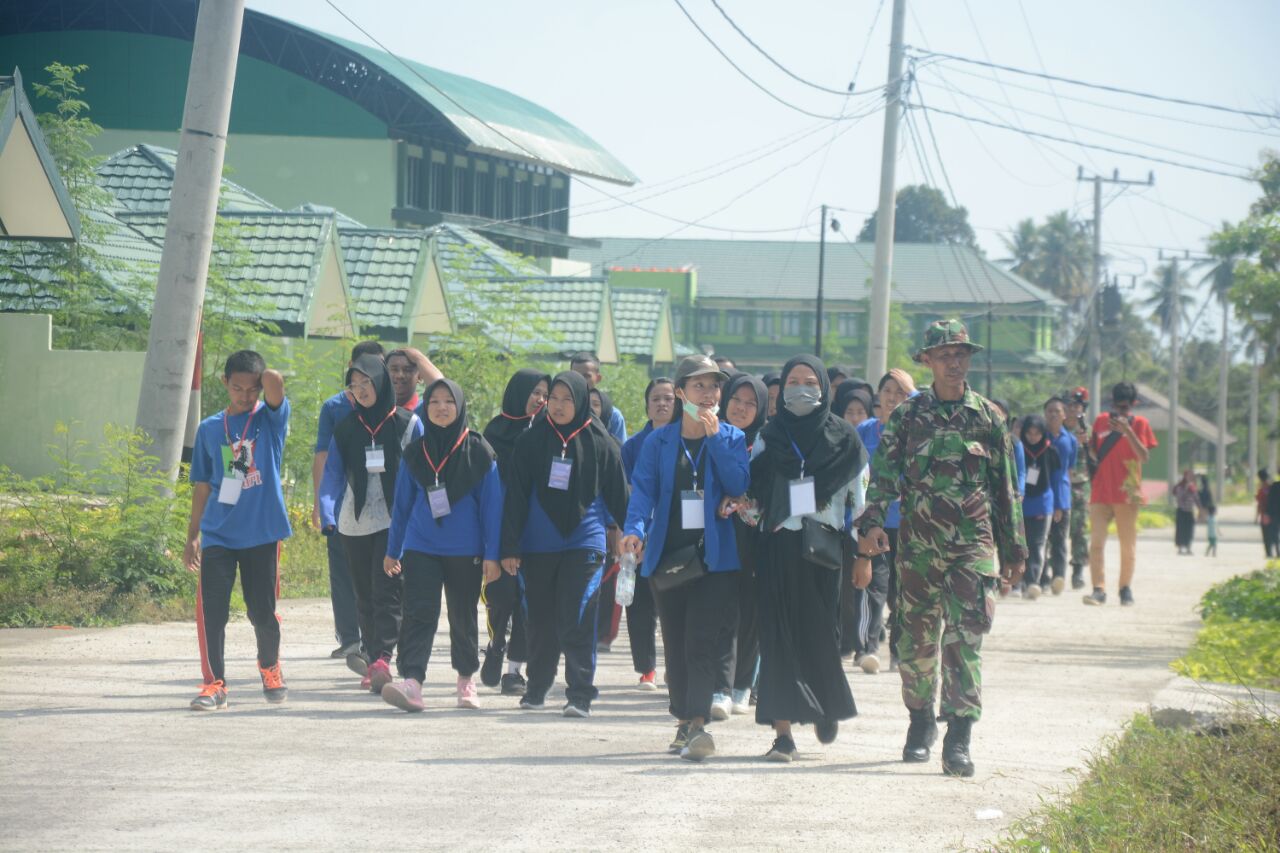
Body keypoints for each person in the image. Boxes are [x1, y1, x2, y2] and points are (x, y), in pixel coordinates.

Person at [857, 319, 1026, 778]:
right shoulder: (909, 417)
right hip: (919, 549)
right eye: (945, 355)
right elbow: (884, 476)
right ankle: (919, 723)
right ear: (928, 360)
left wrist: (1016, 551)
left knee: (965, 640)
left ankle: (959, 738)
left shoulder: (989, 417)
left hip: (974, 545)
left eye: (962, 354)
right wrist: (871, 525)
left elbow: (1005, 489)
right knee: (914, 642)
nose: (955, 362)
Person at [621, 355, 749, 761]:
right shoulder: (659, 442)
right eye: (699, 387)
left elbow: (738, 484)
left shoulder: (728, 437)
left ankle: (696, 725)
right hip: (668, 556)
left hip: (714, 560)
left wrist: (714, 441)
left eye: (714, 387)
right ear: (680, 393)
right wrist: (634, 531)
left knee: (701, 641)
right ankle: (683, 721)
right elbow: (642, 490)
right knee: (675, 643)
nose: (709, 394)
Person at [746, 355, 862, 762]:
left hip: (823, 549)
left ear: (823, 387)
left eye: (809, 380)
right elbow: (753, 487)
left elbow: (857, 501)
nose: (800, 387)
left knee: (820, 636)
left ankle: (824, 703)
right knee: (777, 639)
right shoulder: (769, 435)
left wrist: (863, 551)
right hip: (776, 546)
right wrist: (745, 508)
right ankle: (782, 735)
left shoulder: (844, 438)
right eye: (793, 380)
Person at [500, 371, 630, 717]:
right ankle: (538, 687)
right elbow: (514, 496)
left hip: (584, 543)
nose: (557, 406)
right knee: (539, 620)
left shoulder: (602, 443)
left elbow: (620, 497)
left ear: (582, 401)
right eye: (552, 398)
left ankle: (580, 693)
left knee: (578, 616)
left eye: (566, 399)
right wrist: (509, 547)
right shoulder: (530, 442)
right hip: (536, 545)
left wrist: (632, 536)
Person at [381, 379, 502, 711]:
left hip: (466, 551)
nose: (441, 408)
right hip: (421, 546)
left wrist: (493, 555)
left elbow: (493, 509)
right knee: (419, 613)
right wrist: (393, 549)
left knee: (463, 616)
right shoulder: (415, 452)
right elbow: (402, 505)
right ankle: (412, 682)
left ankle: (466, 680)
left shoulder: (480, 451)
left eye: (449, 401)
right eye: (434, 401)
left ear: (460, 406)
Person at [185, 350, 293, 710]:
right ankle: (214, 683)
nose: (245, 396)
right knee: (213, 612)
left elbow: (276, 383)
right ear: (224, 385)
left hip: (261, 534)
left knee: (261, 612)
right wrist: (193, 534)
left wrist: (264, 380)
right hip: (218, 533)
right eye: (237, 388)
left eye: (252, 388)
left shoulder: (269, 422)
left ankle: (270, 666)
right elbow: (202, 484)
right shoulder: (210, 429)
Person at [319, 354, 423, 692]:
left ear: (381, 382)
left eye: (367, 382)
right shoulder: (347, 427)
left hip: (394, 520)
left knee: (387, 590)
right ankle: (372, 653)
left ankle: (383, 658)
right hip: (355, 521)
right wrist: (327, 510)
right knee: (363, 595)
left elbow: (421, 473)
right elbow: (333, 473)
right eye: (354, 384)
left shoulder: (408, 424)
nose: (361, 390)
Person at [480, 368, 550, 695]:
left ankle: (514, 671)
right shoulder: (494, 433)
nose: (540, 400)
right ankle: (496, 643)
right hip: (498, 530)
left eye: (544, 394)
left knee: (530, 604)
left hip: (534, 532)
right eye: (534, 392)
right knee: (501, 597)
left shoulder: (550, 434)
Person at [312, 340, 383, 661]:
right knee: (343, 572)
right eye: (359, 376)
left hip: (382, 509)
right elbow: (323, 457)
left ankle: (380, 639)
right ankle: (350, 637)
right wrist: (320, 504)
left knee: (380, 575)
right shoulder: (335, 408)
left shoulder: (396, 411)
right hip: (343, 506)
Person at [714, 372, 769, 717]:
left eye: (751, 403)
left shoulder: (767, 442)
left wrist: (745, 502)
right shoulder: (710, 434)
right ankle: (718, 680)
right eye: (736, 400)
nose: (742, 408)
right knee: (718, 611)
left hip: (755, 539)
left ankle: (742, 683)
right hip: (717, 536)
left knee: (750, 614)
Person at [856, 368, 916, 670]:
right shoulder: (865, 430)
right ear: (878, 396)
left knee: (903, 591)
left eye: (900, 393)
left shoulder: (917, 428)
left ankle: (898, 650)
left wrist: (914, 390)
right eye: (888, 392)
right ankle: (867, 647)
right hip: (874, 521)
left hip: (908, 523)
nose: (893, 398)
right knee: (875, 585)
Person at [620, 377, 677, 690]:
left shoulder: (687, 440)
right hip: (641, 532)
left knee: (672, 604)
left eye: (668, 398)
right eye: (656, 398)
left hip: (674, 532)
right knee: (640, 604)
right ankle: (647, 669)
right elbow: (630, 492)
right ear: (647, 404)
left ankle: (675, 665)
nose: (662, 403)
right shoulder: (632, 447)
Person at [1085, 382, 1157, 607]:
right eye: (1118, 407)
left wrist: (1128, 431)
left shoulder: (1141, 424)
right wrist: (1084, 443)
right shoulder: (1100, 421)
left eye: (1126, 408)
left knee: (1127, 545)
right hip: (1100, 491)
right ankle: (1098, 589)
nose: (1121, 412)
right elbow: (1094, 453)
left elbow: (1144, 456)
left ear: (1133, 405)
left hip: (1128, 493)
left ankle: (1125, 588)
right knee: (1096, 543)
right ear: (1112, 404)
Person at [833, 382, 875, 664]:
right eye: (850, 411)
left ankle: (863, 644)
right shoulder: (832, 438)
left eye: (861, 411)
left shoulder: (875, 437)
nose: (856, 417)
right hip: (833, 528)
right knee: (837, 591)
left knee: (861, 587)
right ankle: (840, 640)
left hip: (861, 527)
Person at [590, 387, 627, 652]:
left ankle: (603, 634)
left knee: (606, 585)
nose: (591, 409)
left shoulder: (613, 445)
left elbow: (618, 492)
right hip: (583, 525)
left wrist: (616, 527)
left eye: (596, 404)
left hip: (607, 526)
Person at [1019, 415, 1062, 600]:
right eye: (1029, 433)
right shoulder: (1018, 450)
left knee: (1038, 544)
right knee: (1023, 545)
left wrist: (1059, 505)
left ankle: (1033, 582)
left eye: (1037, 434)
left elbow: (1057, 480)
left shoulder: (1051, 451)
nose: (1033, 437)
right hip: (1022, 503)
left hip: (1043, 503)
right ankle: (1027, 580)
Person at [1042, 397, 1076, 595]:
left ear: (1065, 415)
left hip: (1062, 494)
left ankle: (1059, 577)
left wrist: (1065, 497)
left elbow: (1069, 470)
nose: (1054, 414)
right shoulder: (1040, 436)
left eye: (1057, 411)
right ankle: (1043, 578)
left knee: (1060, 539)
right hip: (1043, 493)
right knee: (1041, 540)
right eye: (1050, 411)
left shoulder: (1070, 440)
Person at [1066, 387, 1092, 590]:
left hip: (1081, 484)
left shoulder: (1089, 431)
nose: (1074, 409)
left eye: (1078, 406)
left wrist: (1086, 443)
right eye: (1071, 405)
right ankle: (1049, 568)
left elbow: (1095, 458)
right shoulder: (1057, 428)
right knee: (1053, 529)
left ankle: (1078, 570)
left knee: (1079, 528)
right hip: (1059, 483)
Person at [570, 351, 627, 442]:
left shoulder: (613, 416)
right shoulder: (561, 410)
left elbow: (620, 453)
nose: (580, 380)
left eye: (586, 376)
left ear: (598, 378)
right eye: (576, 375)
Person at [1172, 470, 1198, 555]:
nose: (1190, 477)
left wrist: (1200, 508)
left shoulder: (1193, 487)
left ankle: (1188, 548)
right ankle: (1180, 548)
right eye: (1189, 476)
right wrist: (1186, 489)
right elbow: (1179, 497)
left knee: (1189, 530)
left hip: (1189, 511)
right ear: (1185, 476)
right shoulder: (1180, 487)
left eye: (1191, 476)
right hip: (1182, 511)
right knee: (1181, 530)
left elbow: (1196, 498)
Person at [1257, 470, 1276, 557]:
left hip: (1264, 515)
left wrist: (1256, 517)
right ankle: (1274, 552)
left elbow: (1260, 504)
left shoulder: (1261, 490)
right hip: (1273, 514)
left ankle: (1268, 553)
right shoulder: (1273, 487)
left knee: (1266, 535)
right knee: (1273, 534)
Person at [1200, 474, 1218, 557]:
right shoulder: (1208, 490)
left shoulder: (1202, 489)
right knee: (1213, 544)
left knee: (1213, 544)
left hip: (1204, 504)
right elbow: (1210, 499)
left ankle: (1210, 553)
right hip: (1207, 504)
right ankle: (1211, 553)